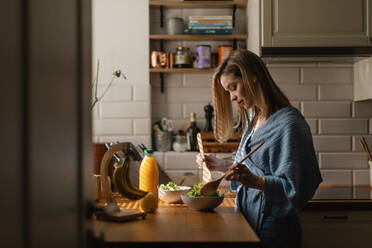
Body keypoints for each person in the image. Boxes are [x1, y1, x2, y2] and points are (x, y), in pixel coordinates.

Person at [196, 49, 322, 248]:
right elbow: (253, 167)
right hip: (250, 221)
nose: (232, 98)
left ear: (252, 77)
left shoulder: (290, 124)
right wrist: (220, 165)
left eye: (234, 87)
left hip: (275, 229)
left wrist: (254, 181)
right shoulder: (254, 120)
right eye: (228, 91)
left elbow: (294, 189)